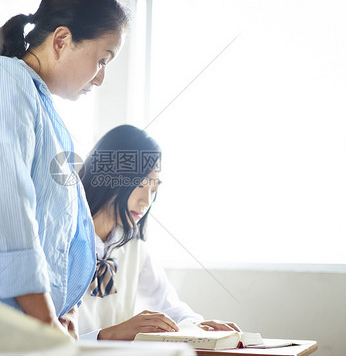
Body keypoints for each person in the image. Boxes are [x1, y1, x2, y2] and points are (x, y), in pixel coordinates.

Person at [0, 0, 129, 338]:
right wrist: (44, 319)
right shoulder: (3, 82)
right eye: (102, 60)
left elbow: (58, 228)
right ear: (61, 40)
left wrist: (65, 311)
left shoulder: (37, 102)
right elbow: (6, 211)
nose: (100, 78)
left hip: (14, 325)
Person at [78, 125, 240, 340]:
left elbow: (167, 305)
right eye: (139, 184)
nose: (146, 201)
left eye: (153, 190)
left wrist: (198, 325)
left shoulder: (133, 247)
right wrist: (110, 334)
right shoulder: (61, 240)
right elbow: (40, 339)